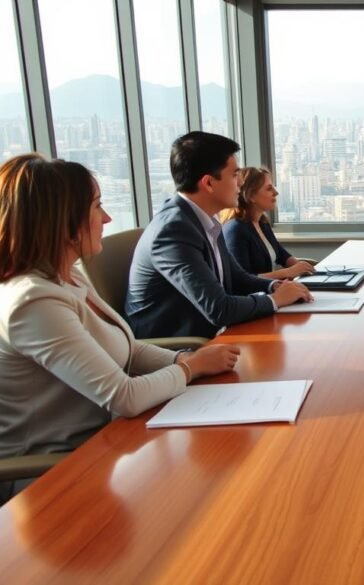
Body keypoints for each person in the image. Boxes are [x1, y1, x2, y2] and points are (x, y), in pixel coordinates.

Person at [0, 154, 239, 501]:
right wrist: (190, 368)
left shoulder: (67, 275)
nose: (107, 218)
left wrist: (184, 360)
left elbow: (128, 348)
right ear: (62, 221)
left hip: (107, 444)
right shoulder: (33, 303)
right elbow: (122, 396)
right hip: (50, 478)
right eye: (97, 207)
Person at [126, 131, 312, 339]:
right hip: (180, 348)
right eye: (234, 175)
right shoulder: (173, 231)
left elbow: (236, 277)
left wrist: (274, 286)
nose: (240, 184)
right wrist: (275, 300)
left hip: (210, 336)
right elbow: (218, 308)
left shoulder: (205, 220)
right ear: (208, 183)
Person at [223, 167, 315, 279]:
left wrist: (304, 268)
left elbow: (282, 255)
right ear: (251, 196)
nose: (276, 193)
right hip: (258, 294)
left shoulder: (262, 222)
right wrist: (288, 273)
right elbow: (242, 281)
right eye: (269, 189)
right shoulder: (236, 230)